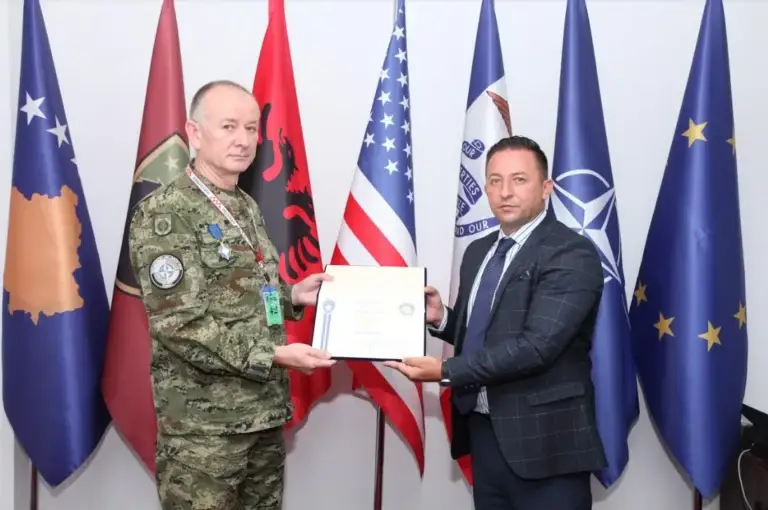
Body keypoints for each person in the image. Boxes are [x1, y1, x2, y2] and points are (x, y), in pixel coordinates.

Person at [128, 80, 336, 510]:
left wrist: (293, 295)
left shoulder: (244, 205)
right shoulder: (166, 213)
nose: (243, 140)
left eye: (251, 128)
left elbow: (246, 293)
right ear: (195, 132)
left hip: (262, 416)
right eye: (228, 127)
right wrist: (272, 355)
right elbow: (180, 324)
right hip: (205, 432)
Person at [385, 136, 607, 510]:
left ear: (546, 188)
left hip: (546, 443)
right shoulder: (479, 252)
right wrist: (443, 318)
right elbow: (484, 334)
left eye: (519, 180)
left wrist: (446, 370)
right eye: (495, 180)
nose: (505, 192)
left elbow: (537, 347)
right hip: (485, 433)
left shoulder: (571, 252)